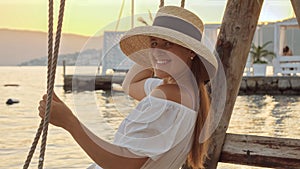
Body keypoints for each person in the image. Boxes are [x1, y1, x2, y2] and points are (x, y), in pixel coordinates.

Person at [38, 6, 218, 169]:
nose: (157, 50)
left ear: (191, 51)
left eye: (168, 44)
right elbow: (130, 84)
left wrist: (70, 123)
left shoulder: (168, 96)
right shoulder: (185, 93)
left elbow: (123, 165)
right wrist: (156, 57)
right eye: (154, 43)